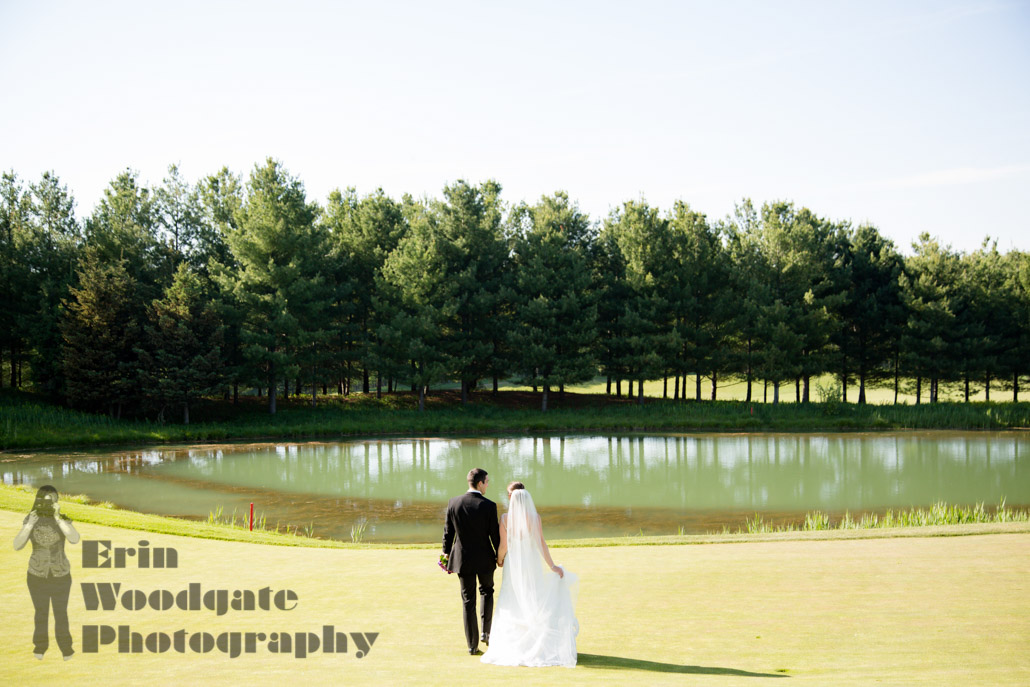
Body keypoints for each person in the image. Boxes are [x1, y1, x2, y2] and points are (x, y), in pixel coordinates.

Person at [481, 482, 579, 668]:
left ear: (512, 497)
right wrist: (552, 566)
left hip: (513, 564)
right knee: (533, 596)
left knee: (512, 598)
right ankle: (537, 643)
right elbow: (541, 543)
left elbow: (503, 546)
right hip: (531, 562)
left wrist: (499, 560)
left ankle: (511, 644)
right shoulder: (535, 518)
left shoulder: (505, 518)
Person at [13, 485, 80, 660]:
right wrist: (29, 525)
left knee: (61, 612)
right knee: (40, 612)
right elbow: (17, 545)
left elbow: (74, 539)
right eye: (46, 500)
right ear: (38, 500)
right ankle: (40, 647)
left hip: (61, 575)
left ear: (57, 502)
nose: (50, 503)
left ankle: (66, 648)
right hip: (36, 574)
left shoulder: (63, 519)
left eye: (53, 500)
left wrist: (58, 518)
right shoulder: (31, 519)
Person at [442, 468, 501, 655]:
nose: (488, 485)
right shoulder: (489, 506)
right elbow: (495, 536)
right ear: (480, 483)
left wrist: (445, 555)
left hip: (462, 559)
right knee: (487, 592)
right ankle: (486, 632)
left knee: (468, 601)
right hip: (485, 558)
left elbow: (448, 534)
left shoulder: (454, 503)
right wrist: (501, 557)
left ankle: (472, 645)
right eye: (487, 481)